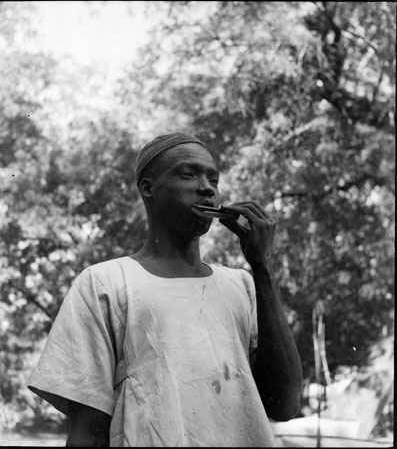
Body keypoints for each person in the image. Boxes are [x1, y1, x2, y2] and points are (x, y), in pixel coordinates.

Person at [28, 132, 302, 447]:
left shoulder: (242, 285)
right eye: (188, 174)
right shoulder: (106, 282)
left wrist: (262, 268)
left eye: (213, 179)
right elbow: (87, 431)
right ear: (148, 188)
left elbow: (284, 405)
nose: (206, 187)